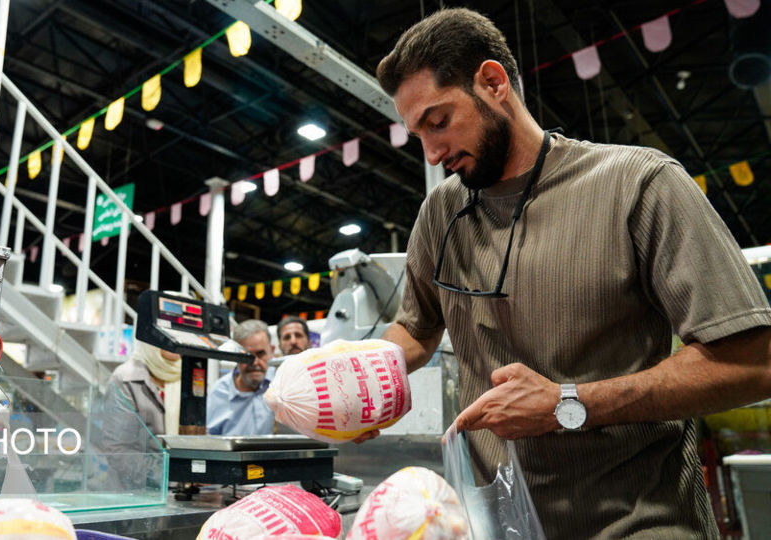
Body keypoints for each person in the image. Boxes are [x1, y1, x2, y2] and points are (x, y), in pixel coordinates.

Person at [370, 8, 771, 539]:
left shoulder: (638, 184)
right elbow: (417, 329)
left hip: (634, 522)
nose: (433, 152)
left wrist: (567, 404)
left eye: (439, 121)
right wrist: (361, 377)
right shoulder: (442, 214)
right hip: (495, 523)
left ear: (493, 83)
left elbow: (753, 363)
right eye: (418, 132)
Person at [95, 340, 181, 490]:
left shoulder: (192, 376)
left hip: (180, 491)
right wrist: (171, 477)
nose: (174, 341)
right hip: (134, 495)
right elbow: (118, 449)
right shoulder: (126, 378)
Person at [206, 319, 276, 435]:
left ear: (271, 351)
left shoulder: (282, 385)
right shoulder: (219, 392)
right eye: (246, 356)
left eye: (260, 354)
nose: (254, 363)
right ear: (235, 355)